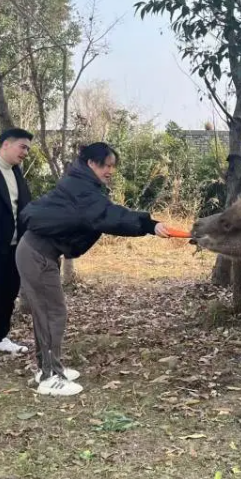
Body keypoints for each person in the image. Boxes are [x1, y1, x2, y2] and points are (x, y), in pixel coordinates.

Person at [16, 142, 170, 396]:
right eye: (106, 165)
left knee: (47, 312)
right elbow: (108, 216)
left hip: (38, 251)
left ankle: (48, 367)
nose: (110, 170)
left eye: (112, 166)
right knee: (52, 313)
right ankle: (50, 376)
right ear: (91, 164)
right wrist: (148, 225)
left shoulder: (82, 184)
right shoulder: (83, 190)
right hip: (37, 253)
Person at [0, 128, 33, 355]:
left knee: (8, 292)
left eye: (28, 149)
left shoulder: (16, 172)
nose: (26, 153)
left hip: (12, 247)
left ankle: (2, 336)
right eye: (23, 147)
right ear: (5, 145)